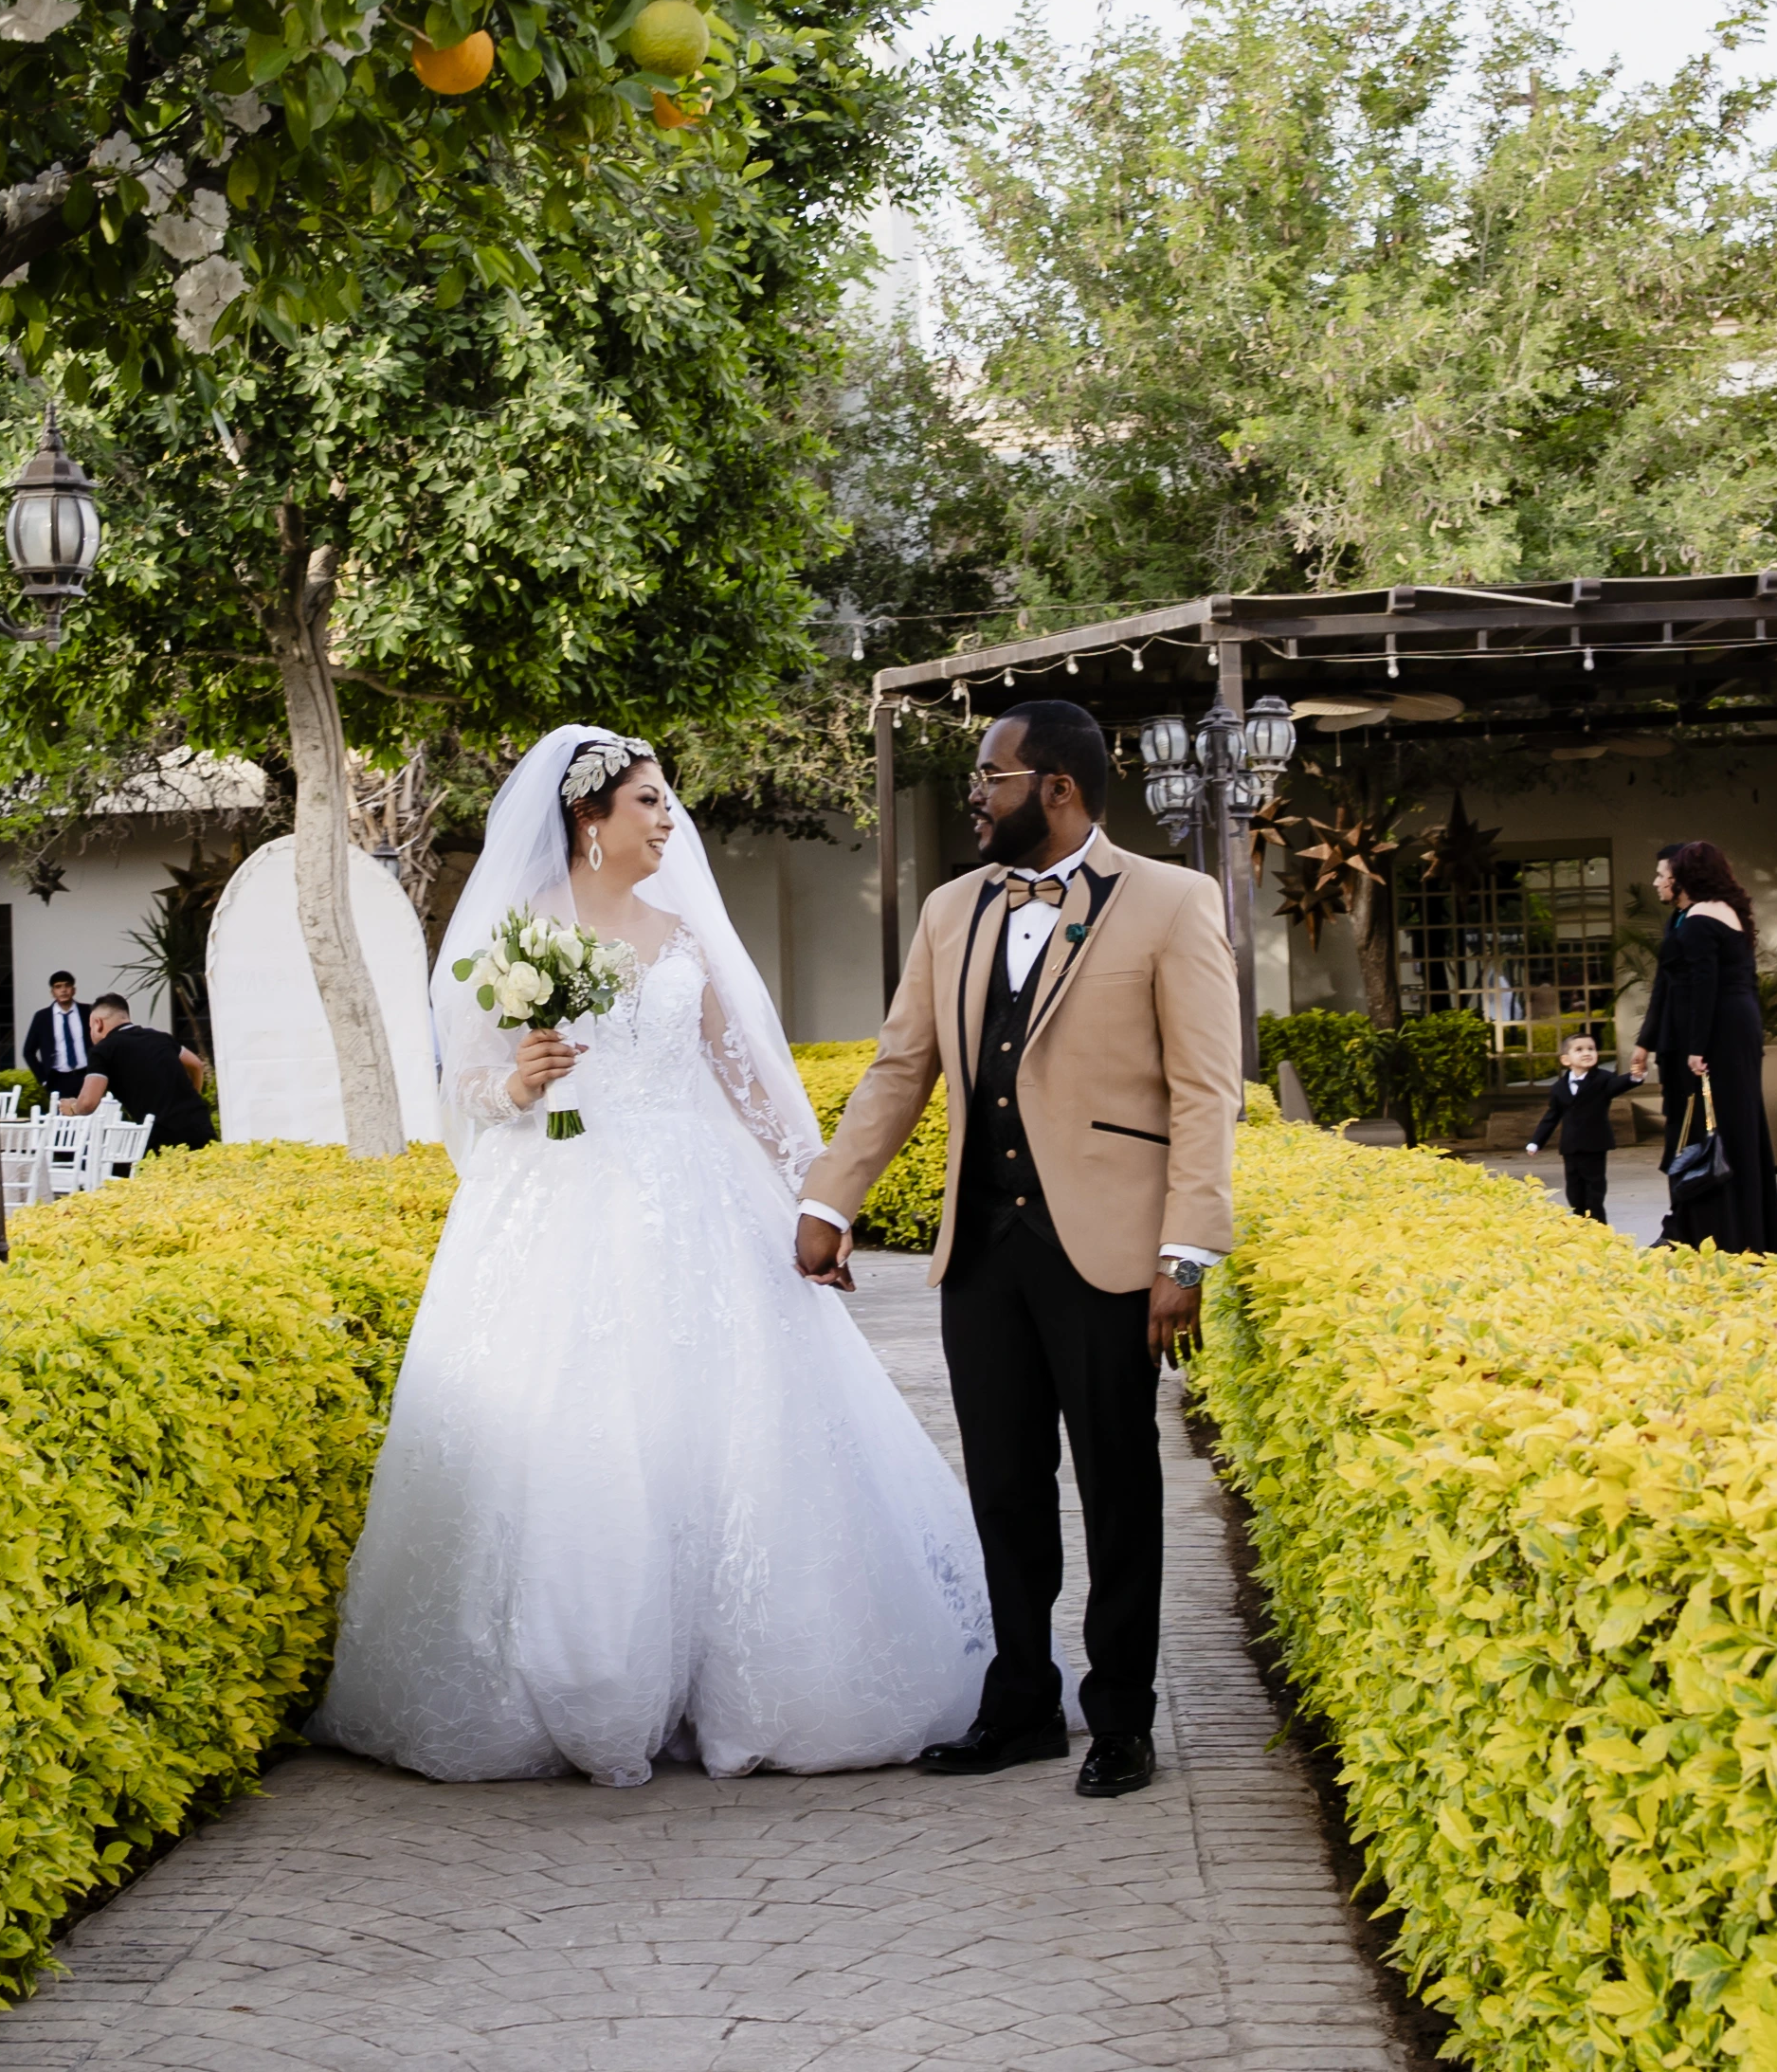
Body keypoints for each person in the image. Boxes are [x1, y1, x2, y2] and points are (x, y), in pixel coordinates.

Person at [312, 728, 991, 1787]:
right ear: (590, 818)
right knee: (584, 1428)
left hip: (697, 1200)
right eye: (648, 801)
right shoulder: (517, 931)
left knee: (730, 1426)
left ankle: (743, 1675)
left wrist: (820, 1192)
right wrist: (520, 1080)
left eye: (666, 801)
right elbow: (469, 1090)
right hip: (560, 1197)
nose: (669, 819)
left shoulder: (683, 936)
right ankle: (583, 1676)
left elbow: (751, 1083)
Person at [798, 700, 1241, 1802]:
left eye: (991, 775)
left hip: (1110, 1249)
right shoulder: (952, 909)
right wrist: (831, 1198)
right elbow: (903, 1066)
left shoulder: (1174, 901)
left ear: (1057, 787)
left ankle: (1123, 1718)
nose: (975, 794)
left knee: (1119, 1487)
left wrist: (1184, 1253)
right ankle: (1021, 1703)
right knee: (1002, 1484)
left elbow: (1205, 1091)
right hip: (983, 1248)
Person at [1629, 842, 1777, 1254]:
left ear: (1686, 877)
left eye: (1666, 874)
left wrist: (1696, 1048)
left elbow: (1704, 987)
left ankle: (1717, 1235)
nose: (1659, 881)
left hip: (1715, 1034)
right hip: (1731, 1029)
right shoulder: (1705, 914)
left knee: (1711, 1130)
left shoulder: (1698, 919)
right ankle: (1706, 1227)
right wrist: (1646, 1042)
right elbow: (1669, 984)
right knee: (1718, 1129)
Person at [67, 993, 217, 1152]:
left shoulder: (102, 1051)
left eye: (90, 1027)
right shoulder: (161, 1038)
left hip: (163, 1137)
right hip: (200, 1124)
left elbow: (88, 1103)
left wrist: (73, 1108)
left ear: (98, 1024)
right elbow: (196, 1065)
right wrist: (192, 1097)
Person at [1521, 1029, 1638, 1225]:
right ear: (1566, 1060)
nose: (1587, 1053)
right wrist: (1536, 1142)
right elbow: (1551, 1116)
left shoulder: (1603, 1079)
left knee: (1595, 1189)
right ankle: (1579, 1224)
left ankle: (1598, 1227)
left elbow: (1618, 1085)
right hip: (1570, 1146)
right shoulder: (1559, 1087)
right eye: (1580, 1049)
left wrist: (1635, 1077)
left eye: (1591, 1049)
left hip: (1595, 1144)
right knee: (1574, 1189)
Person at [21, 971, 94, 1099]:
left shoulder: (88, 1011)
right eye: (58, 987)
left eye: (67, 986)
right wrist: (43, 1079)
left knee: (91, 1116)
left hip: (87, 1075)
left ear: (74, 990)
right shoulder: (42, 1017)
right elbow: (28, 1051)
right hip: (58, 1078)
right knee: (62, 1117)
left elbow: (103, 1041)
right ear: (52, 992)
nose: (63, 990)